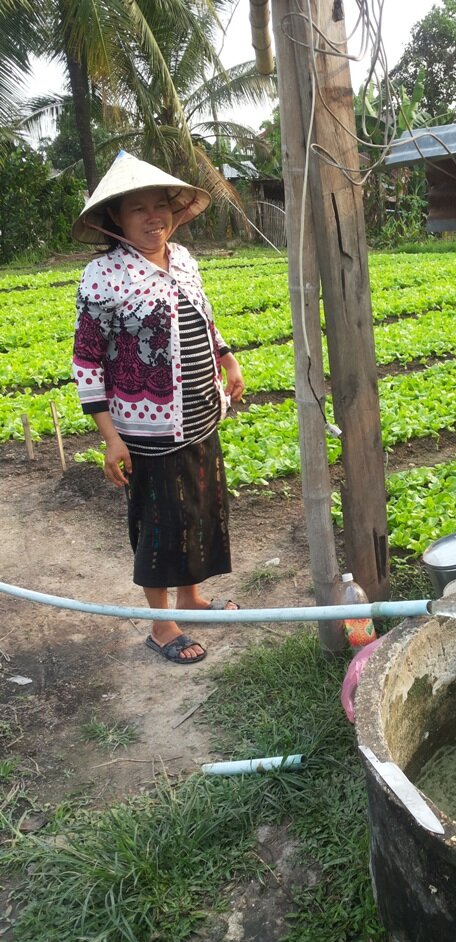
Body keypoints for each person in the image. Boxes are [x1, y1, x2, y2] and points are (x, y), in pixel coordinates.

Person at [71, 150, 244, 665]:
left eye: (161, 206)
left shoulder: (184, 259)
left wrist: (228, 359)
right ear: (116, 221)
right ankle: (162, 624)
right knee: (159, 521)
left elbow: (204, 320)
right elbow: (87, 360)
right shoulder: (103, 275)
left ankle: (190, 598)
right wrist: (110, 438)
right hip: (145, 429)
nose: (155, 218)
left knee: (200, 507)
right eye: (138, 210)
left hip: (200, 414)